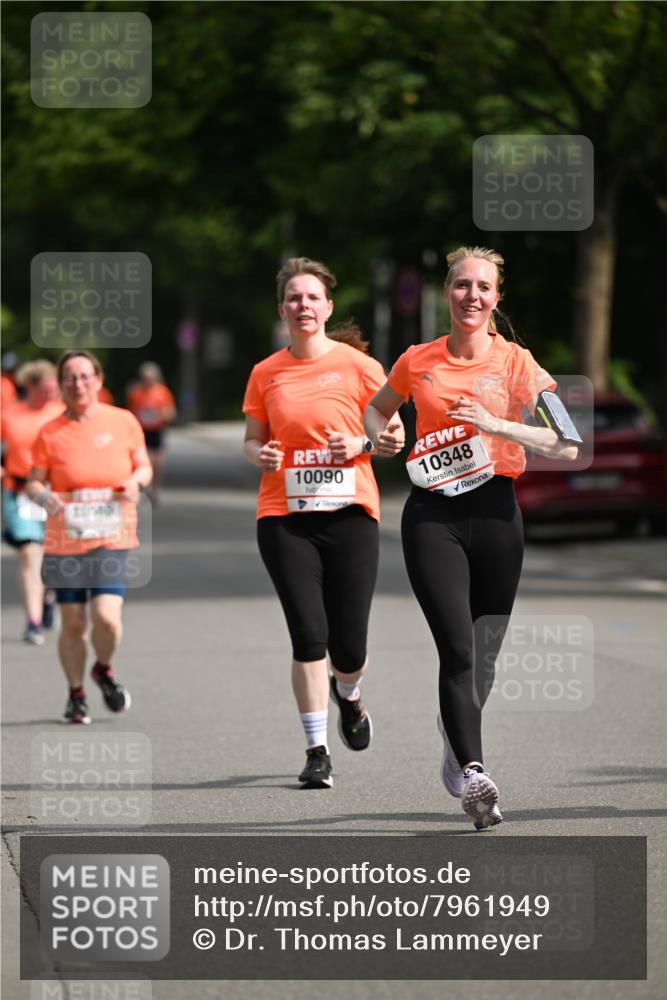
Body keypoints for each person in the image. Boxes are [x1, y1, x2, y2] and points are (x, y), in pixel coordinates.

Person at [364, 246, 579, 829]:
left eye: (483, 287)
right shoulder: (417, 359)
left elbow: (568, 442)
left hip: (496, 515)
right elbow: (376, 410)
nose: (472, 296)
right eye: (462, 285)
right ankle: (475, 771)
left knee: (482, 658)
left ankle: (454, 737)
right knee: (457, 649)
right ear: (447, 293)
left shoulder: (519, 364)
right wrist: (381, 434)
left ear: (496, 298)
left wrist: (496, 423)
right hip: (433, 515)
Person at [243, 257, 404, 788]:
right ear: (282, 310)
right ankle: (316, 750)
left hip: (351, 514)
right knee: (309, 635)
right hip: (284, 517)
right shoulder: (265, 372)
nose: (303, 306)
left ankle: (350, 696)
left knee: (349, 647)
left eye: (312, 297)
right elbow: (251, 439)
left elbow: (395, 436)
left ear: (327, 307)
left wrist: (358, 442)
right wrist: (259, 454)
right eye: (294, 298)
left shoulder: (360, 367)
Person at [26, 349, 152, 724]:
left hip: (112, 535)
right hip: (66, 540)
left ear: (98, 380)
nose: (78, 384)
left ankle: (103, 668)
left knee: (107, 618)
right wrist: (43, 495)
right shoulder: (50, 432)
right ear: (61, 384)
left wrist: (135, 482)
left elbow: (143, 465)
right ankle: (76, 693)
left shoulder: (123, 421)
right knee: (74, 622)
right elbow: (34, 480)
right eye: (70, 378)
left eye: (85, 376)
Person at [1, 360, 64, 644]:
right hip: (18, 489)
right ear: (31, 388)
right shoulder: (11, 415)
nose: (51, 395)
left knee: (53, 557)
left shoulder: (64, 413)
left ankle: (48, 596)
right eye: (45, 390)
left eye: (54, 389)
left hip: (54, 492)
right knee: (29, 552)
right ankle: (33, 621)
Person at [126, 362, 176, 502]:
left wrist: (159, 416)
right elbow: (131, 411)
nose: (146, 380)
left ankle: (155, 486)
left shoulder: (162, 392)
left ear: (156, 378)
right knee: (144, 458)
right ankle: (145, 487)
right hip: (142, 430)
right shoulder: (136, 393)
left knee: (157, 460)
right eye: (144, 377)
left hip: (157, 430)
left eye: (149, 378)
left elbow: (170, 412)